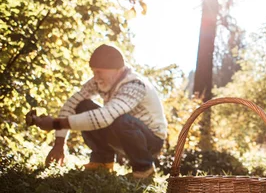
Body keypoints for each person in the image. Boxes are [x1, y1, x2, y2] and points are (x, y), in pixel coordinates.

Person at [32, 44, 168, 179]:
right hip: (125, 133)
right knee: (82, 106)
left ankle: (144, 169)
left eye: (99, 72)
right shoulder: (100, 81)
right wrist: (59, 143)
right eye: (93, 72)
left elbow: (105, 117)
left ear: (118, 70)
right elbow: (71, 104)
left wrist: (56, 124)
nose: (96, 77)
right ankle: (102, 161)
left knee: (120, 119)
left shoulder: (135, 84)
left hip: (151, 141)